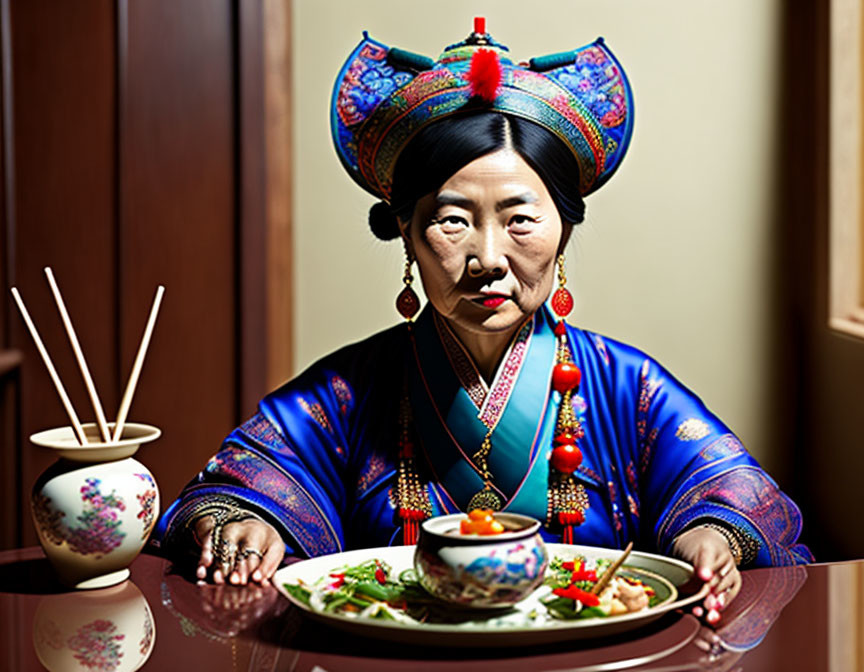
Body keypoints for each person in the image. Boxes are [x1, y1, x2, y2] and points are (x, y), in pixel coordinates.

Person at [153, 20, 812, 623]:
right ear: (407, 235)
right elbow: (250, 481)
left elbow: (729, 491)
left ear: (562, 229)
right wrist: (243, 525)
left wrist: (713, 537)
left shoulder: (624, 386)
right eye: (452, 221)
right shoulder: (351, 392)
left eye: (520, 219)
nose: (488, 259)